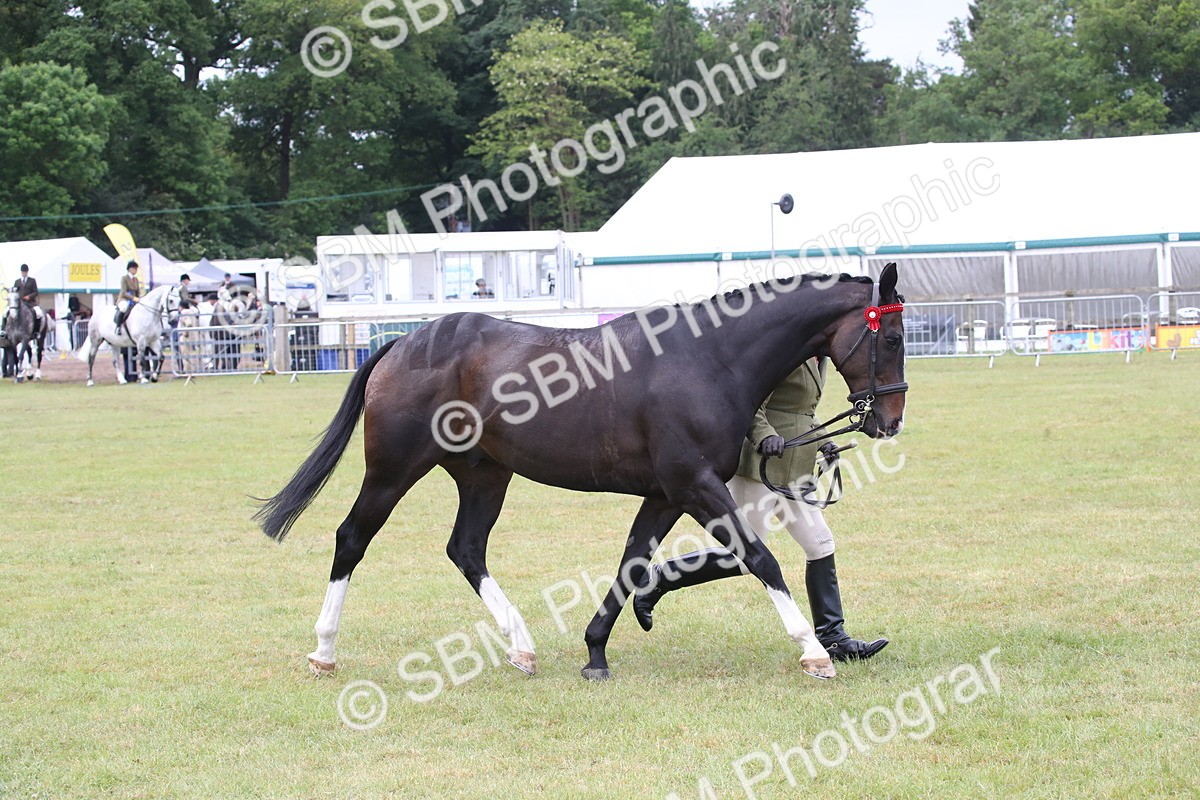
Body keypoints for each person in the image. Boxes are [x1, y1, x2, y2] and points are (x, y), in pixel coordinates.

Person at [633, 357, 889, 662]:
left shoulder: (818, 356)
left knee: (820, 544)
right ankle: (658, 578)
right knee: (744, 558)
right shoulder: (787, 350)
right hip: (760, 466)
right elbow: (750, 401)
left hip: (795, 467)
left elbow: (801, 411)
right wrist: (764, 435)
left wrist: (822, 442)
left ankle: (833, 638)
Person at [11, 264, 44, 335]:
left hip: (30, 303)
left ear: (27, 272)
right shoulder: (17, 282)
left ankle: (36, 332)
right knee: (6, 312)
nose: (24, 273)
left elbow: (36, 292)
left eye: (25, 272)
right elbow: (14, 292)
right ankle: (5, 331)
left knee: (39, 314)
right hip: (19, 303)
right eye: (23, 272)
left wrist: (29, 296)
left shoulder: (32, 281)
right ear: (21, 272)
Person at [114, 261, 141, 330]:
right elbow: (124, 292)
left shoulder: (136, 279)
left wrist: (140, 299)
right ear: (130, 269)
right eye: (135, 268)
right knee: (124, 307)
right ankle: (118, 326)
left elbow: (137, 291)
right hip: (124, 299)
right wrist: (134, 298)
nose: (136, 270)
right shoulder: (124, 278)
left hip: (134, 300)